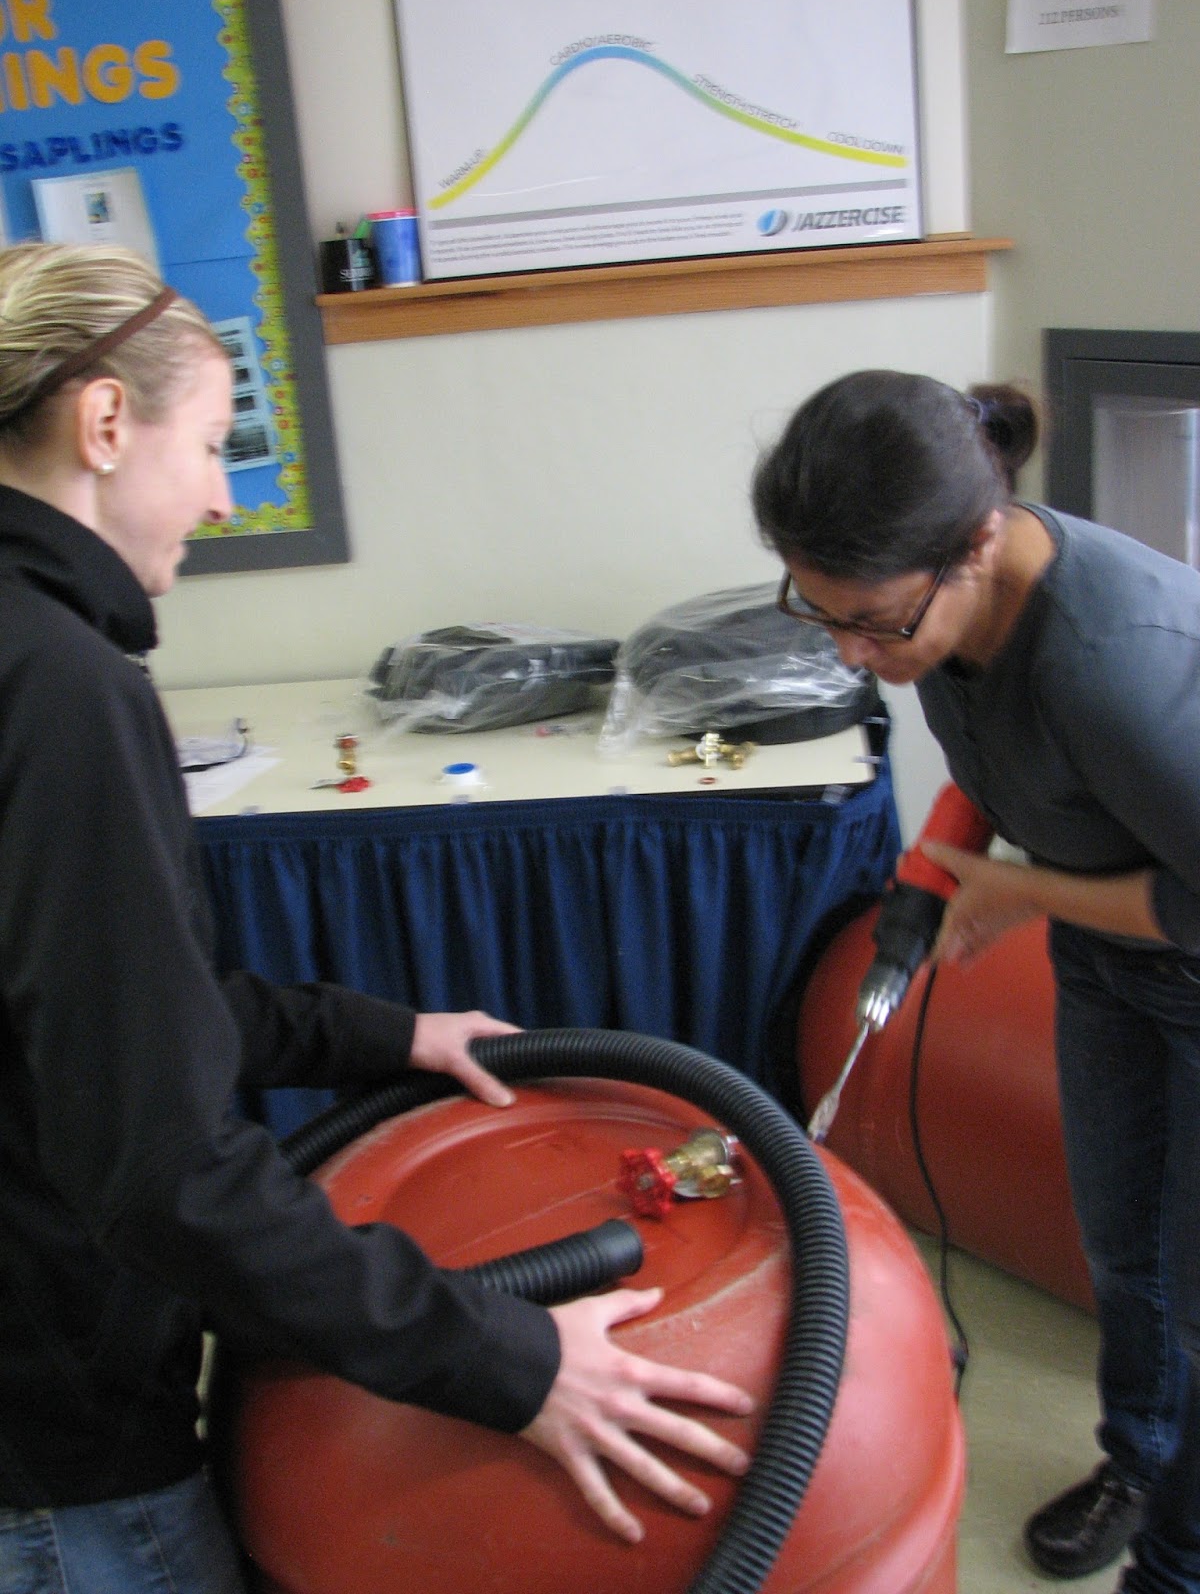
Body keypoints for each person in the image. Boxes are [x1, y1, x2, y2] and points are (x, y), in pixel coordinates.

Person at [0, 242, 752, 1594]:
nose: (222, 497)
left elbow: (88, 1014)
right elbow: (163, 1175)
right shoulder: (60, 689)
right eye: (215, 443)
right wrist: (513, 1364)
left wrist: (383, 1035)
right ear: (106, 422)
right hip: (57, 1458)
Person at [751, 368, 1200, 1594]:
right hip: (1117, 957)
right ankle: (1138, 1456)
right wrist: (943, 873)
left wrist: (1020, 894)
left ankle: (1179, 1558)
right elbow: (997, 770)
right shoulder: (934, 614)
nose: (851, 649)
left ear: (979, 542)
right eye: (819, 609)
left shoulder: (1117, 661)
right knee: (1122, 1250)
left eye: (876, 623)